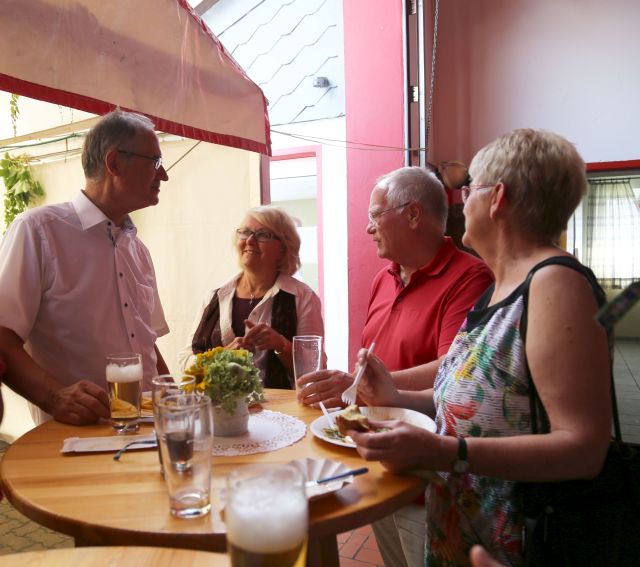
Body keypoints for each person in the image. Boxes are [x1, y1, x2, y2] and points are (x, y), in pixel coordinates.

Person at [348, 129, 612, 566]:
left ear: (498, 198)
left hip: (519, 545)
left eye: (469, 189)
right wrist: (394, 397)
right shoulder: (500, 288)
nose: (461, 201)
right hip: (464, 534)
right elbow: (474, 401)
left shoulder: (555, 284)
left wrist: (447, 452)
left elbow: (584, 447)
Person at [299, 166, 493, 567]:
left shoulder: (469, 277)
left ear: (413, 214)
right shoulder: (384, 278)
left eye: (375, 215)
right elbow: (374, 359)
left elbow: (452, 368)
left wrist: (354, 385)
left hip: (427, 473)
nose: (368, 227)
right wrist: (356, 388)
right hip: (381, 461)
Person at [0, 110, 170, 426]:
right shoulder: (38, 230)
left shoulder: (138, 249)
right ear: (115, 163)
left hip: (146, 431)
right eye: (156, 163)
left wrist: (173, 397)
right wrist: (55, 397)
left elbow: (147, 341)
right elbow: (3, 336)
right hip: (75, 439)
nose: (164, 176)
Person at [178, 206, 325, 388]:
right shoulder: (214, 298)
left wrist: (281, 345)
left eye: (263, 234)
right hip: (222, 410)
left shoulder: (302, 297)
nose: (249, 240)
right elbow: (185, 362)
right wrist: (221, 357)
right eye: (245, 232)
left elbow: (315, 372)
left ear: (283, 248)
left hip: (282, 413)